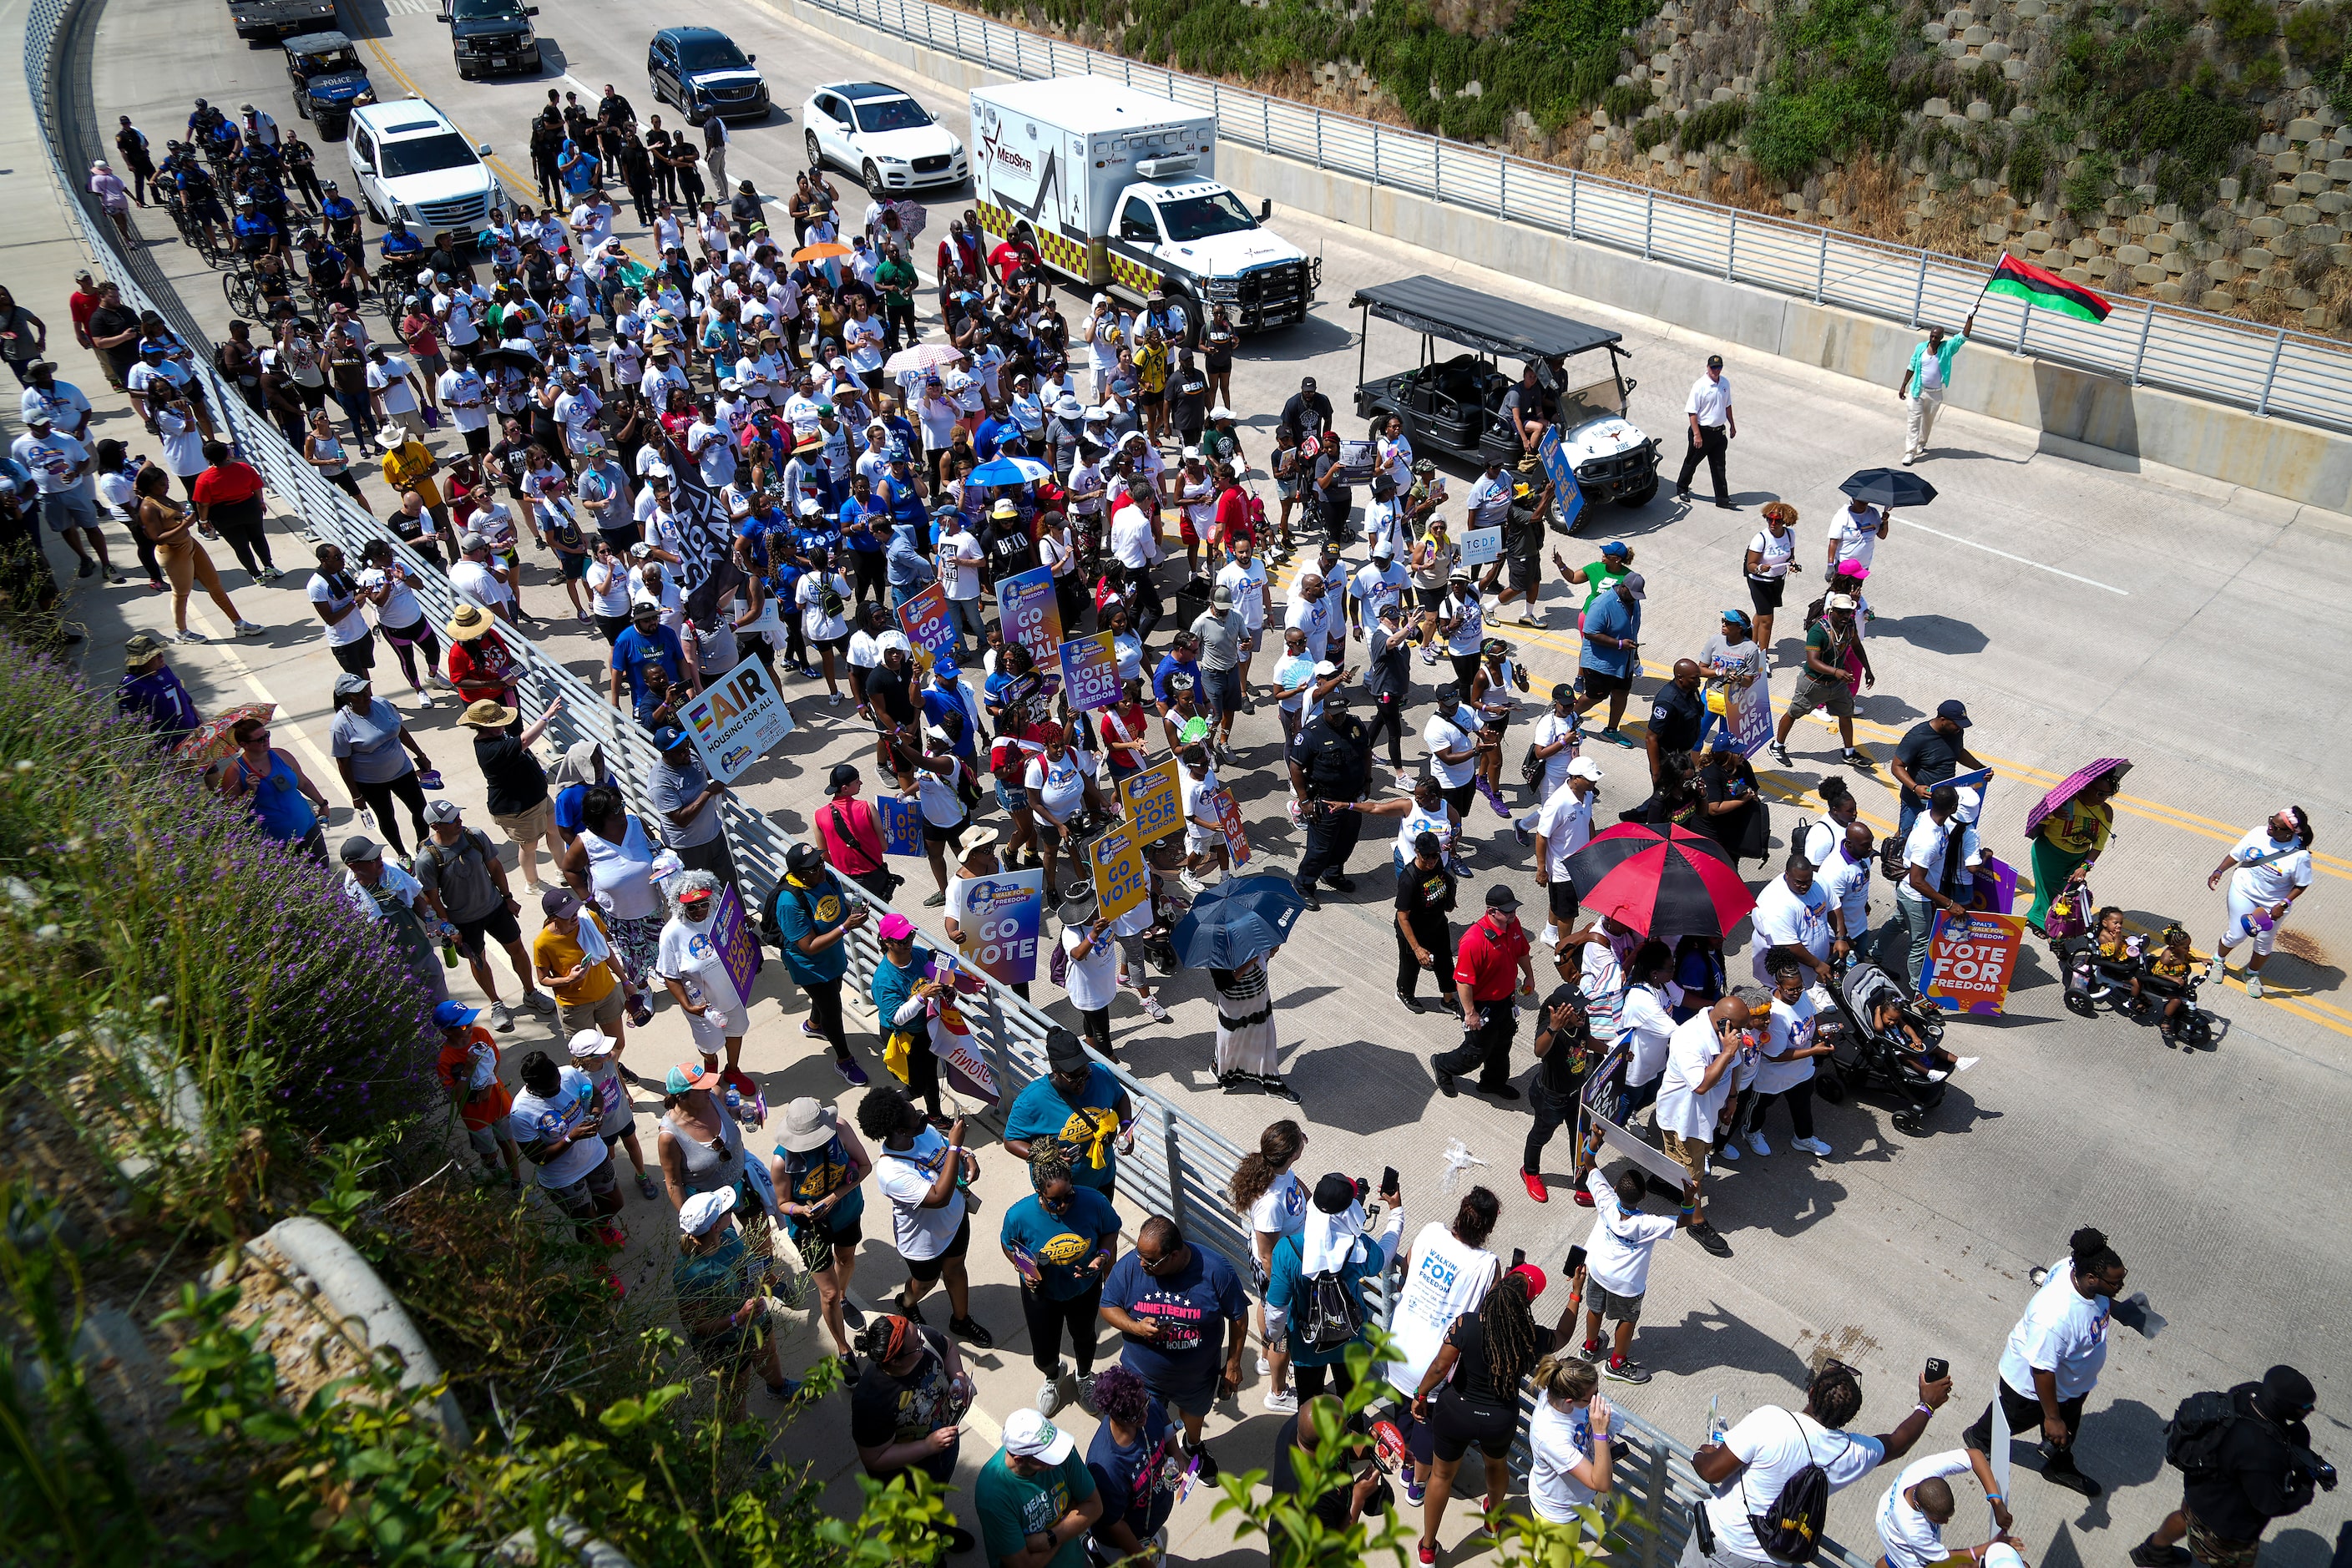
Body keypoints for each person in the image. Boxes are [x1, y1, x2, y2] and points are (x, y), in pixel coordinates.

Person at [1687, 1361, 1954, 1568]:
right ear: (1850, 1416)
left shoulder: (1770, 1421)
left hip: (1718, 1546)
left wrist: (1702, 1452)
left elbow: (1710, 1471)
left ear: (1811, 1391)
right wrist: (1927, 1405)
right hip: (1774, 1559)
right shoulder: (1854, 1452)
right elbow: (1899, 1443)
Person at [1962, 1226, 2129, 1501]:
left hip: (2072, 1385)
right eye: (2115, 1284)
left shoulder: (2072, 1267)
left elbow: (2098, 1304)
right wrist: (2051, 1418)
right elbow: (2041, 1370)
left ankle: (2059, 1468)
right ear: (2090, 1279)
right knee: (2013, 1418)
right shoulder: (2054, 1317)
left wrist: (2119, 1309)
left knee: (2067, 1431)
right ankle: (1979, 1439)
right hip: (2030, 1389)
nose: (2119, 1287)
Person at [1409, 1263, 1549, 1562]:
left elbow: (1439, 1367)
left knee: (1441, 1476)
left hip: (1455, 1412)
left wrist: (1420, 1396)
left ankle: (1428, 1549)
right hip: (1499, 1419)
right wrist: (1574, 1296)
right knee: (1496, 1466)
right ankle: (1492, 1522)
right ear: (1530, 1302)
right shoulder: (1531, 1337)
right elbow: (1564, 1333)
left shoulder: (1467, 1324)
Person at [1098, 1216, 1249, 1479]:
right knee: (1145, 1424)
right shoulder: (1132, 1267)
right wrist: (1135, 1327)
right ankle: (1157, 1455)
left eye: (1151, 1261)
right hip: (1141, 1375)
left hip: (1196, 1377)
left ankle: (1193, 1447)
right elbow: (1108, 1305)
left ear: (1175, 1255)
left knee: (1194, 1415)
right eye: (1139, 1256)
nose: (1142, 1264)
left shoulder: (1216, 1271)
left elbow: (1238, 1315)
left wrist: (1234, 1362)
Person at [2129, 1365, 2323, 1568]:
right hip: (2227, 1524)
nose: (2311, 1409)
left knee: (2185, 1516)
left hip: (2200, 1488)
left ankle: (2152, 1552)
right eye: (2306, 1405)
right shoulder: (2262, 1453)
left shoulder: (2248, 1392)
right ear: (2283, 1404)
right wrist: (2305, 1490)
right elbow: (2271, 1505)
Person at [859, 1085, 994, 1346]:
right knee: (925, 1284)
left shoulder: (925, 1132)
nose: (920, 1114)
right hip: (924, 1243)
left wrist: (967, 1155)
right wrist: (957, 1147)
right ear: (899, 1130)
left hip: (955, 1222)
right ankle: (907, 1303)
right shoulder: (891, 1172)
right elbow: (938, 1197)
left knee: (956, 1269)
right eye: (913, 1115)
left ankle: (961, 1321)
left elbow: (946, 1151)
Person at [1000, 1146, 1122, 1419]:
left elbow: (1111, 1229)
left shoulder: (1094, 1202)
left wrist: (1101, 1258)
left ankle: (1083, 1377)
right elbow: (1008, 1244)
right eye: (1055, 1202)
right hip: (1042, 1292)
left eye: (1069, 1196)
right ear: (1039, 1193)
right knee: (1043, 1355)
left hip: (1083, 1288)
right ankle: (1054, 1376)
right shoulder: (1019, 1216)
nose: (1064, 1205)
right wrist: (1024, 1269)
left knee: (1084, 1338)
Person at [414, 800, 557, 1029]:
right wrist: (448, 927)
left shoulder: (475, 836)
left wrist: (508, 898)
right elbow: (432, 897)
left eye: (458, 816)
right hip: (463, 920)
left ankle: (530, 992)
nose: (459, 821)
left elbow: (496, 867)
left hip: (495, 908)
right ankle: (496, 1003)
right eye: (452, 820)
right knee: (478, 960)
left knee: (517, 950)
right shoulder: (427, 859)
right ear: (436, 826)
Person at [849, 1312, 979, 1558]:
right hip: (908, 1475)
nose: (922, 1338)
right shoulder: (872, 1399)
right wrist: (928, 1446)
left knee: (935, 1499)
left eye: (918, 1332)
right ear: (896, 1362)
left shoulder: (921, 1337)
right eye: (917, 1345)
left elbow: (948, 1347)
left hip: (941, 1449)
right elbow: (874, 1458)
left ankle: (938, 1531)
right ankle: (931, 1552)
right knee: (918, 1522)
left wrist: (958, 1377)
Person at [768, 1096, 873, 1379]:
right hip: (810, 1230)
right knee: (826, 1292)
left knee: (846, 1259)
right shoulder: (781, 1161)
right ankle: (843, 1348)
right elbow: (782, 1203)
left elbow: (865, 1166)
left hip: (847, 1212)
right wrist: (800, 1209)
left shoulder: (840, 1129)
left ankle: (842, 1298)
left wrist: (835, 1196)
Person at [672, 1189, 799, 1414]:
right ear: (715, 1226)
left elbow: (749, 1269)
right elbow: (694, 1325)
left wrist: (764, 1284)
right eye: (726, 1211)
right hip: (723, 1344)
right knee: (735, 1391)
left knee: (768, 1355)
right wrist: (737, 1318)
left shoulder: (727, 1237)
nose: (731, 1211)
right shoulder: (689, 1274)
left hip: (755, 1320)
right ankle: (744, 1446)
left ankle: (777, 1387)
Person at [1652, 993, 1759, 1255]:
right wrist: (1727, 1052)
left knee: (1682, 1165)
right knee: (1694, 1177)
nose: (1743, 1033)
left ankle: (1661, 1181)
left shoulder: (1727, 1034)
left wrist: (1732, 1098)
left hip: (1707, 1113)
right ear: (1724, 1022)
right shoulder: (1688, 1039)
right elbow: (1701, 1085)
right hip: (1685, 1121)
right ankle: (1695, 1220)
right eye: (1740, 1028)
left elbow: (1735, 1064)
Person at [767, 841, 876, 1088]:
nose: (820, 870)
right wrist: (845, 926)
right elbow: (808, 945)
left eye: (820, 863)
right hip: (810, 966)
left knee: (831, 994)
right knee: (832, 1009)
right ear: (797, 874)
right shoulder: (790, 901)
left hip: (833, 955)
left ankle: (813, 1025)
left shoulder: (825, 877)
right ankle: (844, 1060)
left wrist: (853, 912)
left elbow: (839, 903)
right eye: (812, 868)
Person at [507, 1048, 625, 1244]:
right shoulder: (521, 1113)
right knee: (588, 1228)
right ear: (533, 1087)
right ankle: (600, 1270)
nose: (557, 1090)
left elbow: (595, 1094)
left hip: (595, 1157)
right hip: (564, 1178)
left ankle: (603, 1227)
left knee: (615, 1203)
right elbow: (539, 1158)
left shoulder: (568, 1075)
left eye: (558, 1084)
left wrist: (596, 1115)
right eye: (551, 1091)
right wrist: (571, 1138)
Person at [1433, 885, 1535, 1100]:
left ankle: (1492, 1083)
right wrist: (1470, 1013)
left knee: (1502, 1043)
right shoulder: (1474, 941)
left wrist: (1529, 976)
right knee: (1474, 1053)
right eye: (1507, 911)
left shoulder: (1513, 924)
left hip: (1505, 1000)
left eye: (1513, 909)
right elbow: (1463, 982)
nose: (1512, 914)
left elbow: (1522, 951)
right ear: (1491, 911)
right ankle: (1442, 1065)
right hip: (1480, 1005)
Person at [1004, 1028, 1132, 1198]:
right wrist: (1048, 1157)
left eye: (1085, 1073)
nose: (1082, 1082)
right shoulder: (1031, 1100)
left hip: (1103, 1177)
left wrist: (1125, 1128)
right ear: (1056, 1073)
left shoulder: (1101, 1074)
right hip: (1060, 1190)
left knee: (1101, 1222)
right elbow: (1010, 1141)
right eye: (1074, 1077)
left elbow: (1120, 1096)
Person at [974, 1407, 1103, 1568]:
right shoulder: (992, 1496)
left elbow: (1095, 1507)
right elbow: (1024, 1565)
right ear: (1019, 1460)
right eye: (1046, 1457)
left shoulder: (1062, 1451)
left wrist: (1050, 1538)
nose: (1057, 1461)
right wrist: (1070, 1518)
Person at [2208, 807, 2314, 1000]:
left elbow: (2302, 884)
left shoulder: (2300, 856)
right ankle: (2218, 960)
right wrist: (2219, 871)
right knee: (2237, 934)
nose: (2270, 827)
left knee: (2264, 943)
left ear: (2289, 832)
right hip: (2243, 891)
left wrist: (2283, 904)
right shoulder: (2258, 833)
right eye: (2271, 821)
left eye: (2275, 826)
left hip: (2273, 904)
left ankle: (2251, 973)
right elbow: (2237, 854)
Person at [1740, 952, 1837, 1157]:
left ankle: (1803, 1138)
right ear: (1778, 985)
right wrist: (1814, 1050)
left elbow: (1813, 1016)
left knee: (1802, 1105)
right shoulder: (1774, 1016)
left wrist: (1823, 1029)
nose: (1796, 993)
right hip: (1773, 1077)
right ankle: (1751, 1132)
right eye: (1791, 989)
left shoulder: (1802, 997)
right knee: (1759, 1107)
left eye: (1800, 987)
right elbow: (1775, 1055)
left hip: (1801, 1071)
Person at [327, 673, 433, 858]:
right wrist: (356, 795)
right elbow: (343, 762)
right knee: (386, 817)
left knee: (420, 809)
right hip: (371, 782)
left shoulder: (382, 704)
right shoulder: (341, 725)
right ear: (346, 698)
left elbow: (400, 730)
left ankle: (422, 846)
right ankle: (402, 854)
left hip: (402, 770)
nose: (365, 695)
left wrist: (420, 754)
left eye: (366, 689)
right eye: (357, 693)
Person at [1085, 1364, 1182, 1563]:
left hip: (1148, 1530)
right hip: (1122, 1543)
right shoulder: (1106, 1466)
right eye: (1136, 1415)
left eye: (1144, 1403)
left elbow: (1165, 1426)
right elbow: (1115, 1525)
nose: (1145, 1415)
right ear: (1116, 1416)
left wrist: (1177, 1457)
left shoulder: (1144, 1404)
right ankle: (1095, 1549)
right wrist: (1142, 1561)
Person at [656, 870, 750, 1077]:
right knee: (710, 1044)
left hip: (731, 993)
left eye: (703, 904)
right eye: (691, 906)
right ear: (681, 905)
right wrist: (688, 1005)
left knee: (736, 1032)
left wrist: (745, 929)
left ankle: (733, 1070)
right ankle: (711, 1066)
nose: (699, 910)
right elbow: (670, 976)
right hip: (702, 1005)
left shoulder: (720, 913)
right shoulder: (671, 933)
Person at [1890, 784, 1982, 994]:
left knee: (1898, 921)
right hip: (1916, 896)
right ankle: (1917, 989)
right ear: (1952, 808)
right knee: (1920, 944)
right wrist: (1949, 903)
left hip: (1908, 891)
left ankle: (1875, 953)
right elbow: (1917, 881)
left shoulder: (1925, 815)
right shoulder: (1928, 841)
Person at [1519, 986, 1600, 1203]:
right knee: (1541, 1136)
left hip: (1577, 1094)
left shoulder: (1582, 1020)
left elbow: (1586, 1041)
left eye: (1584, 1009)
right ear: (1561, 1011)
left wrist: (1612, 1050)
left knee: (1580, 1138)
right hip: (1551, 1098)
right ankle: (1530, 1171)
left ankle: (1582, 1181)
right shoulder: (1550, 1029)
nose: (1583, 1013)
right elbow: (1539, 1051)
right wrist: (1553, 1029)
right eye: (1577, 1010)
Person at [432, 1000, 520, 1191]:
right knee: (489, 1152)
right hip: (474, 1113)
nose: (470, 1026)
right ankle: (492, 1165)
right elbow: (455, 1095)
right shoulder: (444, 1059)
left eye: (470, 1021)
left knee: (507, 1141)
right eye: (463, 1025)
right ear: (447, 1031)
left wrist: (486, 1087)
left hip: (498, 1100)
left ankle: (516, 1183)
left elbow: (495, 1060)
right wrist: (468, 1070)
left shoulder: (481, 1034)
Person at [2024, 766, 2120, 934]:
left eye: (2108, 795)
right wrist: (2053, 815)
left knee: (2067, 895)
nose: (2103, 799)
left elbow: (2098, 845)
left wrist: (2084, 866)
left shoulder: (2106, 811)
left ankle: (2039, 920)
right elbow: (2036, 823)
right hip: (2049, 855)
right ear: (2088, 786)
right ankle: (2050, 930)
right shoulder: (2066, 802)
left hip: (2077, 859)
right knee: (2050, 893)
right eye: (2100, 794)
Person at [1875, 1449, 2008, 1568]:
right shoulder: (1913, 1530)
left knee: (1893, 1559)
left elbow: (1974, 1455)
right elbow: (1943, 1559)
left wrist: (1997, 1503)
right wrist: (1990, 1547)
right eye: (1938, 1519)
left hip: (1888, 1520)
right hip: (1897, 1534)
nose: (1946, 1522)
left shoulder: (1924, 1470)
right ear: (1920, 1506)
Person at [227, 715, 330, 862]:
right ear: (245, 744)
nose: (266, 740)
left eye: (267, 735)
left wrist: (323, 804)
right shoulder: (235, 773)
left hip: (307, 828)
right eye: (260, 739)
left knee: (323, 872)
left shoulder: (281, 755)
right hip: (272, 844)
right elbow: (231, 813)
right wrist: (249, 792)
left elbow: (303, 783)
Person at [1527, 1355, 1616, 1525]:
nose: (1597, 1400)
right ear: (1570, 1400)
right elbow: (1602, 1484)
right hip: (1559, 1516)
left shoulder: (1557, 1390)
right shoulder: (1552, 1439)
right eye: (1593, 1396)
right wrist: (1600, 1432)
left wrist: (1605, 1444)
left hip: (1575, 1504)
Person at [649, 723, 739, 883]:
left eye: (686, 745)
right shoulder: (660, 783)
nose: (686, 753)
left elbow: (713, 770)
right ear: (666, 754)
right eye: (680, 751)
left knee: (729, 884)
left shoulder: (691, 755)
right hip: (688, 848)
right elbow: (681, 819)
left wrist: (745, 756)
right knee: (700, 893)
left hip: (714, 835)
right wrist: (708, 792)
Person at [1891, 701, 1985, 840]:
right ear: (1942, 720)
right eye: (1956, 724)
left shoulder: (1956, 731)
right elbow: (1897, 766)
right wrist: (1915, 788)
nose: (1959, 728)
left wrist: (1980, 769)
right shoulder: (1918, 737)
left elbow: (1958, 752)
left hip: (1941, 801)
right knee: (1907, 837)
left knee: (1934, 837)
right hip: (1917, 801)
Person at [1394, 832, 1459, 1016]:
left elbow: (1444, 879)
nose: (1431, 860)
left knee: (1445, 962)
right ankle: (1404, 992)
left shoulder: (1436, 863)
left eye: (1435, 854)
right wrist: (1417, 948)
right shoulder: (1409, 879)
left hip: (1437, 924)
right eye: (1427, 856)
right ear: (1417, 852)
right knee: (1411, 966)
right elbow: (1402, 917)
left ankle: (1448, 1000)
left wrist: (1448, 899)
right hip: (1414, 931)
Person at [1899, 311, 1976, 465]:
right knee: (1913, 422)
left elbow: (1963, 337)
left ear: (1941, 338)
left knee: (1927, 422)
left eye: (1936, 337)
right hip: (1917, 391)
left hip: (1934, 394)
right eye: (1932, 336)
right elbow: (1912, 366)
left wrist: (1970, 318)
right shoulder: (1920, 348)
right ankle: (1910, 452)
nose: (1933, 339)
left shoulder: (1947, 348)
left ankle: (1921, 443)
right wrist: (1903, 385)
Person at [1574, 573, 1643, 744]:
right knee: (1595, 696)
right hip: (1601, 663)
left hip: (1624, 662)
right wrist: (1619, 644)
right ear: (1624, 587)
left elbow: (1633, 629)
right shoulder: (1602, 604)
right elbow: (1590, 633)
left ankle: (1611, 731)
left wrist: (1634, 655)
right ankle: (1568, 720)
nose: (1636, 599)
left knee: (1621, 694)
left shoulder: (1633, 601)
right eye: (1633, 594)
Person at [114, 632, 199, 747]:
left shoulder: (163, 669)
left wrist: (201, 724)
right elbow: (132, 727)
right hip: (170, 749)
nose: (161, 656)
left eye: (160, 652)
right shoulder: (130, 686)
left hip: (195, 736)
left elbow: (186, 700)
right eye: (154, 655)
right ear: (142, 662)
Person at [1675, 352, 1735, 508]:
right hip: (1702, 432)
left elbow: (1727, 405)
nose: (1716, 370)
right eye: (1713, 367)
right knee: (1692, 461)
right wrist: (1697, 434)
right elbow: (1692, 412)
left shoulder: (1725, 384)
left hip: (1719, 433)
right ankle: (1682, 488)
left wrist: (1732, 425)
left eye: (1719, 367)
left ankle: (1722, 499)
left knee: (1719, 466)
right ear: (1707, 367)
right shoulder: (1700, 386)